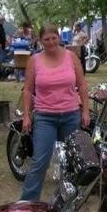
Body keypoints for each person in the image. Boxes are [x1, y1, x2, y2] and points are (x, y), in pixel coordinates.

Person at [20, 24, 90, 201]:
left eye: (54, 38)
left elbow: (82, 85)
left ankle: (69, 199)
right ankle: (28, 202)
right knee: (40, 161)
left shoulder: (71, 57)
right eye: (46, 39)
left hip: (71, 115)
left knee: (70, 160)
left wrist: (86, 112)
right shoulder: (34, 60)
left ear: (59, 38)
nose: (51, 42)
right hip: (45, 117)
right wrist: (27, 115)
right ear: (40, 41)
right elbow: (27, 90)